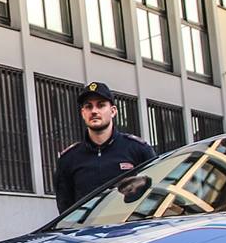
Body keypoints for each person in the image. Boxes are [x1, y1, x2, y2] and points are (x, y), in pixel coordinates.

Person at [53, 81, 157, 212]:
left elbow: (154, 196)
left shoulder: (138, 149)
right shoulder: (69, 159)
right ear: (83, 113)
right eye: (88, 107)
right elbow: (65, 208)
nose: (94, 111)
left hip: (130, 229)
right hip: (86, 231)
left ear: (113, 111)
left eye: (101, 105)